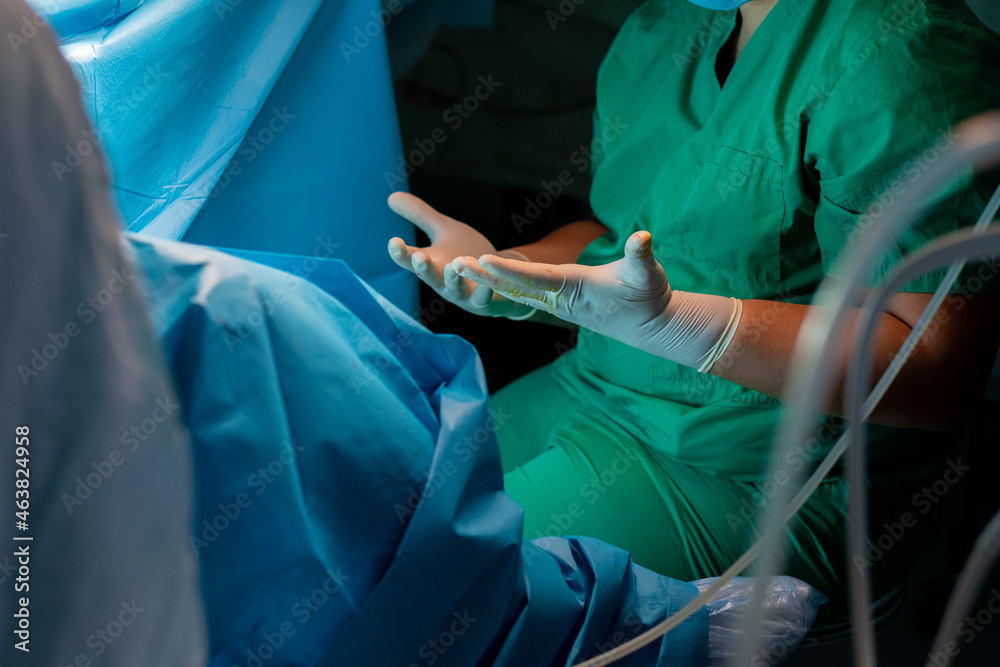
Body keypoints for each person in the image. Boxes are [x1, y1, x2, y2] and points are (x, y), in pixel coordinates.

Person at [387, 0, 1000, 620]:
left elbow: (933, 373)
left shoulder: (902, 53)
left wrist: (681, 326)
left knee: (430, 592)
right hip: (595, 386)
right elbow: (620, 234)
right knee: (375, 508)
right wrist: (509, 270)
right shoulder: (666, 25)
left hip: (758, 469)